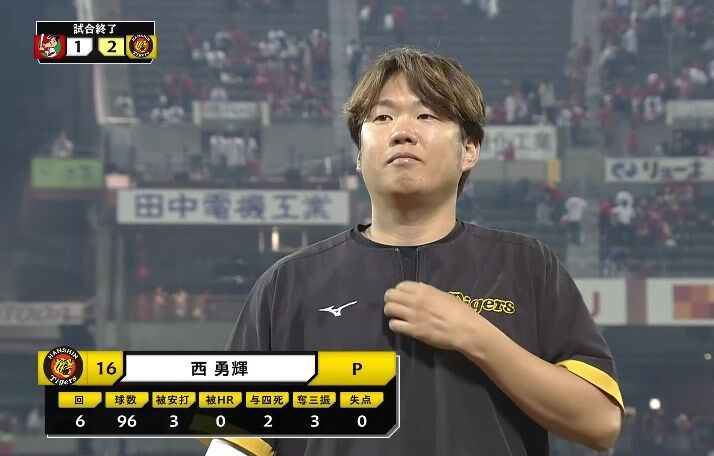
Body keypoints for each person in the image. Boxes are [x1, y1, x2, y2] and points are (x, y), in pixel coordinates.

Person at [208, 48, 623, 456]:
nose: (402, 132)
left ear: (469, 149)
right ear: (359, 154)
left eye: (426, 116)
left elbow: (600, 423)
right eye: (382, 117)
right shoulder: (288, 284)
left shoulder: (526, 266)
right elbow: (234, 442)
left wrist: (474, 335)